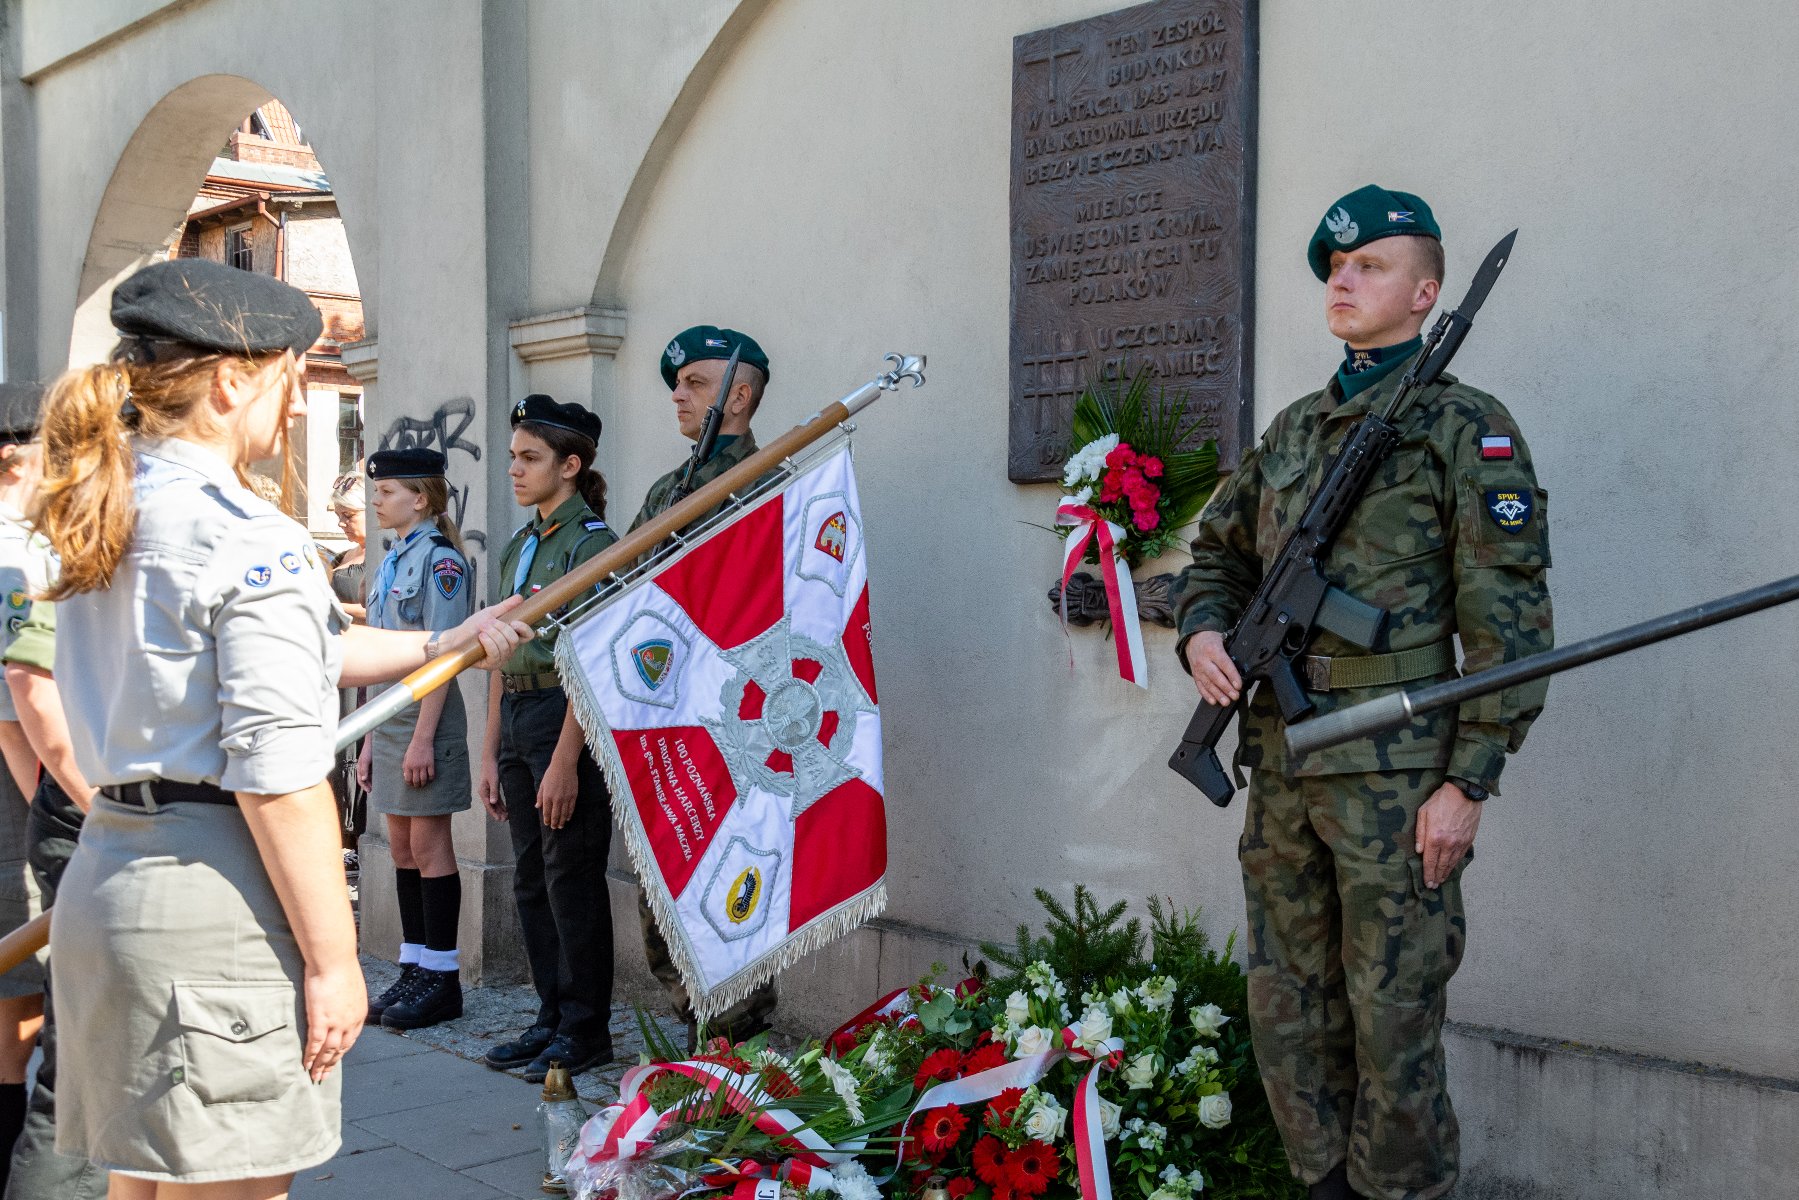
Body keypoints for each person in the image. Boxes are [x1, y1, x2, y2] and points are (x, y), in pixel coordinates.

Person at [33, 257, 529, 1198]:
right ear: (229, 381)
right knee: (231, 1184)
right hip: (210, 892)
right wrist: (337, 962)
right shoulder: (243, 534)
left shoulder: (113, 502)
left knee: (141, 1183)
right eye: (289, 379)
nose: (297, 409)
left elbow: (306, 652)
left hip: (115, 870)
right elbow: (277, 775)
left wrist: (450, 637)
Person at [1171, 187, 1553, 1200]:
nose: (1341, 280)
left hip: (1396, 777)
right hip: (1285, 767)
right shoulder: (1293, 434)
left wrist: (1466, 780)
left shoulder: (1461, 429)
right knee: (1287, 1005)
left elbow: (1507, 628)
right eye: (1333, 268)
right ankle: (1320, 1185)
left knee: (1393, 1019)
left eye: (1369, 266)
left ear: (1425, 293)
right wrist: (1203, 630)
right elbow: (1213, 555)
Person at [627, 325, 777, 1047]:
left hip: (728, 730)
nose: (677, 397)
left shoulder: (767, 483)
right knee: (662, 908)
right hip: (659, 721)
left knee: (725, 897)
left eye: (693, 383)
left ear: (739, 395)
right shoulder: (670, 489)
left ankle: (736, 1059)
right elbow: (621, 587)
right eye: (675, 385)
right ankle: (700, 1044)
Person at [479, 393, 617, 1082]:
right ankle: (550, 1016)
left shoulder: (590, 546)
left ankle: (586, 1029)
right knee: (531, 879)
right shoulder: (519, 545)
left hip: (567, 718)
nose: (514, 469)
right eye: (511, 457)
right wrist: (490, 750)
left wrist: (565, 761)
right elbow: (498, 656)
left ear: (570, 465)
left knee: (571, 877)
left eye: (529, 458)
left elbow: (593, 663)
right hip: (518, 718)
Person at [356, 447, 475, 1031]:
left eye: (387, 491)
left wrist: (423, 738)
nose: (376, 500)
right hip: (392, 720)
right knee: (401, 850)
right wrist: (369, 738)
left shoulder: (441, 563)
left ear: (421, 498)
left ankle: (442, 978)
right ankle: (414, 964)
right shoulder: (390, 560)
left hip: (426, 719)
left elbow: (446, 658)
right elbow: (379, 659)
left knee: (430, 851)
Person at [3, 559, 105, 1200]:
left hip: (92, 818)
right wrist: (95, 813)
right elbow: (26, 692)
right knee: (85, 1073)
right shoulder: (64, 549)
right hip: (102, 820)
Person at [0, 385, 46, 1196]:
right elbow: (18, 706)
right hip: (20, 787)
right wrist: (61, 805)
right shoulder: (17, 550)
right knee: (21, 990)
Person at [328, 470, 368, 621]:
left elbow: (382, 610)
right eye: (338, 515)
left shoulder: (386, 555)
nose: (341, 523)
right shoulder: (342, 556)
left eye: (348, 515)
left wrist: (330, 605)